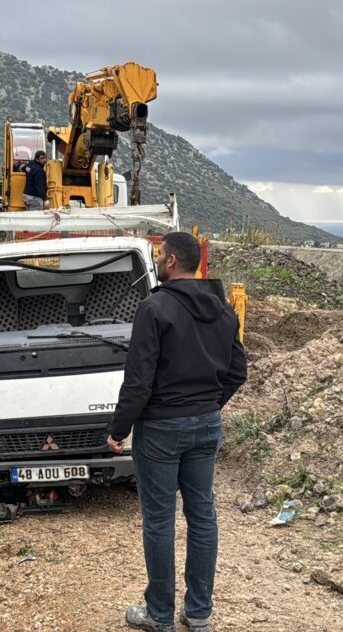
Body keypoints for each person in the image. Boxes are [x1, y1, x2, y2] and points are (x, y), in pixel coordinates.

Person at [107, 232, 247, 632]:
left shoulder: (154, 308)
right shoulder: (223, 310)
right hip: (206, 425)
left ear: (170, 261)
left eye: (159, 253)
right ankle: (199, 613)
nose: (157, 258)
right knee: (202, 515)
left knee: (159, 520)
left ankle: (159, 615)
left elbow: (138, 381)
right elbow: (238, 371)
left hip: (160, 429)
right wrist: (208, 407)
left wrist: (118, 429)